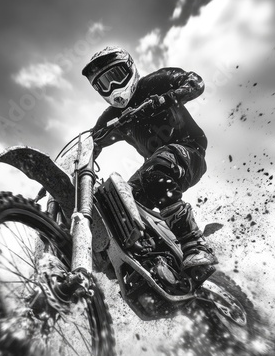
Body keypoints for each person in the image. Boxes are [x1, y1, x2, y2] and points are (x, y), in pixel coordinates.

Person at [82, 46, 217, 282]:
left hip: (189, 152)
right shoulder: (112, 117)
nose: (112, 87)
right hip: (156, 167)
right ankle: (151, 259)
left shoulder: (156, 83)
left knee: (154, 169)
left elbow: (195, 82)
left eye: (115, 77)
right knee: (118, 201)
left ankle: (194, 243)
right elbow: (91, 144)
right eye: (103, 84)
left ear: (130, 68)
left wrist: (168, 97)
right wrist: (69, 169)